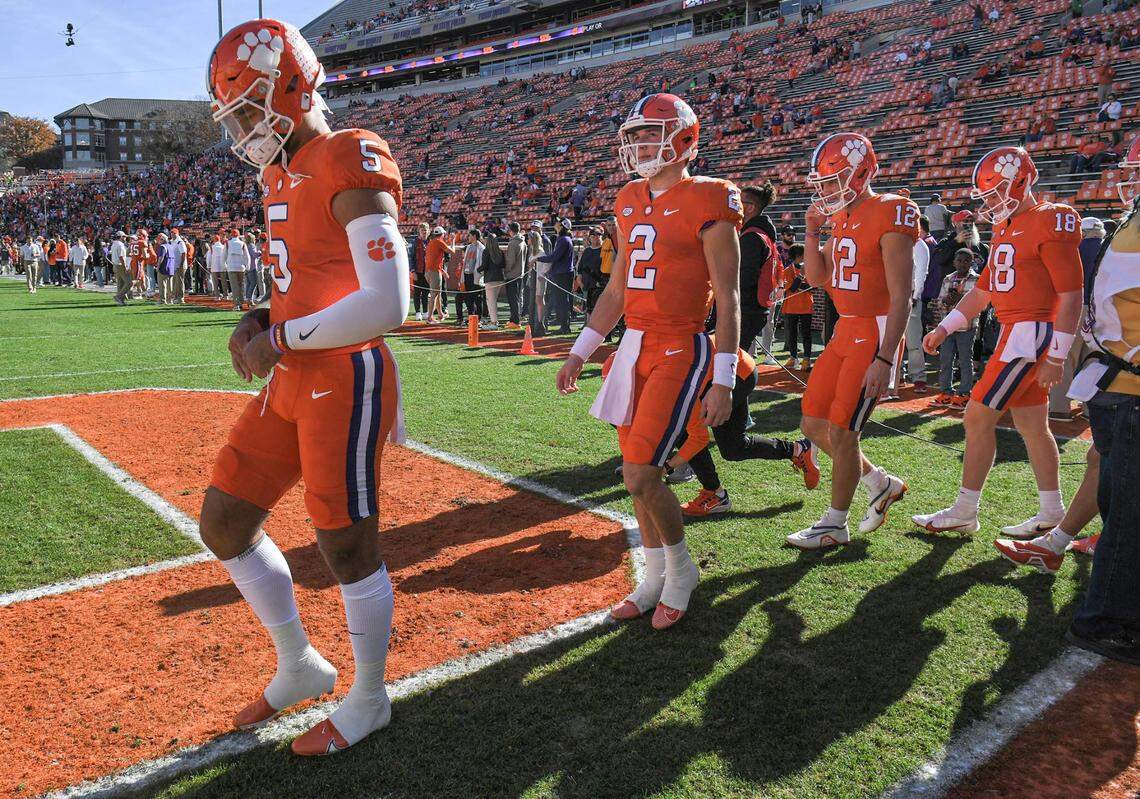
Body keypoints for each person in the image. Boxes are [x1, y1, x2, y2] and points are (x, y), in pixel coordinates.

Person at [203, 17, 410, 755]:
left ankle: (370, 694)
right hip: (295, 372)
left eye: (251, 106)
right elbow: (314, 277)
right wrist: (264, 313)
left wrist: (281, 336)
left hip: (345, 372)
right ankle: (300, 662)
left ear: (292, 82)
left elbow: (388, 302)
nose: (246, 126)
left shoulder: (348, 154)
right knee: (225, 520)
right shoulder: (279, 174)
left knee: (345, 544)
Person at [556, 93, 743, 629]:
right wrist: (579, 351)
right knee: (634, 473)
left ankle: (681, 571)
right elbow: (616, 290)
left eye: (649, 133)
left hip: (680, 346)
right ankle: (655, 573)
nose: (639, 144)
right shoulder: (629, 196)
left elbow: (727, 297)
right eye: (633, 135)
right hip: (634, 346)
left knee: (642, 472)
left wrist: (723, 379)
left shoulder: (711, 197)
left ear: (684, 138)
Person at [915, 147, 1083, 538]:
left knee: (977, 416)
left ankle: (965, 509)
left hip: (1031, 333)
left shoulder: (1049, 220)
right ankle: (1052, 510)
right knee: (1032, 426)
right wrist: (945, 328)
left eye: (996, 193)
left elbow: (1072, 294)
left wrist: (1056, 356)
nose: (990, 203)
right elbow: (983, 291)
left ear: (1021, 182)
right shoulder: (1007, 225)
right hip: (1015, 332)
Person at [787, 132, 918, 550]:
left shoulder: (892, 211)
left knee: (843, 432)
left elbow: (902, 297)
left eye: (833, 180)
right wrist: (811, 233)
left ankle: (834, 523)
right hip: (846, 329)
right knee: (812, 422)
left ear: (860, 173)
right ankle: (880, 483)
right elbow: (818, 277)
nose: (825, 190)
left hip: (875, 330)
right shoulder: (841, 217)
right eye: (822, 183)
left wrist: (884, 357)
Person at [930, 249, 979, 408]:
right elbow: (939, 301)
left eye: (966, 261)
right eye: (959, 260)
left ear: (972, 262)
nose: (962, 263)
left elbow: (982, 304)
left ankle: (964, 393)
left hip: (967, 326)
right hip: (948, 327)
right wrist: (947, 300)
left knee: (965, 360)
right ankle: (946, 392)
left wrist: (961, 300)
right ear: (954, 262)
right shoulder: (948, 279)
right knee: (945, 359)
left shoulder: (977, 280)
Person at [739, 182, 781, 365]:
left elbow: (744, 278)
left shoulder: (752, 237)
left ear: (750, 207)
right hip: (755, 308)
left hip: (746, 309)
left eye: (738, 201)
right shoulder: (760, 234)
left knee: (731, 364)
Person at [780, 243, 814, 369]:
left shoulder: (809, 268)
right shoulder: (788, 271)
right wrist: (801, 277)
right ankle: (793, 357)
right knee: (792, 334)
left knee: (807, 334)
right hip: (791, 307)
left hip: (806, 307)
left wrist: (801, 284)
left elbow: (813, 287)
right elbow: (793, 288)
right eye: (803, 255)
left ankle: (807, 359)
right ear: (798, 256)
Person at [539, 218, 575, 334]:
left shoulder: (563, 240)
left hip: (562, 274)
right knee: (562, 300)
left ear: (561, 226)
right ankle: (564, 325)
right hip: (563, 273)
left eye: (558, 222)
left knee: (562, 301)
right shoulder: (564, 239)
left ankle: (564, 327)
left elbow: (554, 257)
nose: (555, 223)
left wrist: (538, 258)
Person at [424, 226, 454, 323]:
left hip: (430, 271)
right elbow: (452, 251)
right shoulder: (438, 241)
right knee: (434, 295)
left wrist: (442, 271)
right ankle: (430, 317)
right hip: (434, 272)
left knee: (438, 293)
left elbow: (433, 259)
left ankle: (440, 314)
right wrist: (453, 241)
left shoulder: (431, 242)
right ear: (442, 234)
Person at [480, 229, 506, 329]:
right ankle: (494, 321)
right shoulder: (499, 251)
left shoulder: (486, 251)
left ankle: (494, 322)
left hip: (490, 279)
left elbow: (484, 266)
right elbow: (503, 264)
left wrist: (477, 270)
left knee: (491, 301)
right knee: (493, 300)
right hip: (499, 278)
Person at [503, 221, 526, 329]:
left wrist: (506, 271)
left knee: (513, 299)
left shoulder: (513, 243)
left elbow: (510, 261)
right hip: (520, 274)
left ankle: (516, 321)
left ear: (510, 231)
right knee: (516, 298)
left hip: (512, 275)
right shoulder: (523, 242)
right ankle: (514, 319)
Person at [461, 228, 485, 323]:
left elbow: (481, 263)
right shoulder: (469, 247)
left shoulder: (481, 248)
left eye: (470, 235)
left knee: (477, 298)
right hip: (467, 275)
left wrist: (479, 274)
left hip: (476, 276)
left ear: (474, 236)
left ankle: (479, 318)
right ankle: (471, 317)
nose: (468, 237)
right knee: (469, 298)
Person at [225, 228, 249, 311]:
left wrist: (225, 265)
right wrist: (247, 266)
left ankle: (236, 305)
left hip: (231, 267)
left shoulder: (228, 243)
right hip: (241, 267)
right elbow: (247, 256)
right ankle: (241, 303)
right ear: (238, 235)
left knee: (234, 286)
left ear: (231, 234)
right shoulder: (242, 243)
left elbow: (224, 255)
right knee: (241, 285)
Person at [410, 222, 430, 321]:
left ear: (428, 231)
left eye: (425, 230)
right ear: (419, 231)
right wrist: (412, 271)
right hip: (418, 271)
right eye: (422, 230)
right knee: (417, 292)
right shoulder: (415, 242)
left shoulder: (431, 242)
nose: (424, 232)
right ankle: (418, 312)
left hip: (427, 272)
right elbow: (411, 257)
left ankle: (425, 312)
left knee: (426, 292)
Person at [170, 228, 189, 304]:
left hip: (180, 265)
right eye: (171, 233)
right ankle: (175, 297)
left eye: (173, 233)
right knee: (175, 282)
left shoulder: (180, 242)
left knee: (180, 282)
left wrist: (181, 264)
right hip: (175, 265)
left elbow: (184, 253)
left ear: (177, 234)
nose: (172, 234)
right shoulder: (172, 242)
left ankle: (181, 298)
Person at [209, 234, 227, 300]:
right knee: (224, 281)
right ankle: (225, 295)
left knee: (215, 282)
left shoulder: (212, 247)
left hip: (214, 266)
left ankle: (217, 296)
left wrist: (209, 265)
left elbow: (209, 257)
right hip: (222, 265)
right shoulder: (223, 246)